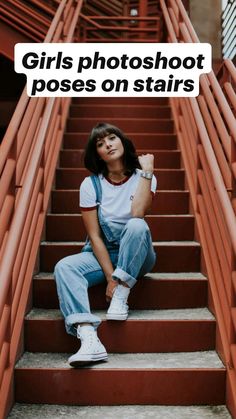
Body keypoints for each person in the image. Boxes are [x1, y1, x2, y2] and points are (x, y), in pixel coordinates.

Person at [54, 122, 157, 367]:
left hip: (138, 255)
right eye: (100, 143)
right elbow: (95, 236)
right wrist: (111, 276)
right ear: (97, 153)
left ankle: (123, 293)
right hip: (104, 254)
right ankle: (88, 336)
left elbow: (138, 212)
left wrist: (148, 172)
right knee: (64, 267)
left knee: (136, 225)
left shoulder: (145, 176)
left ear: (122, 141)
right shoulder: (91, 185)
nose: (108, 144)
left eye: (112, 138)